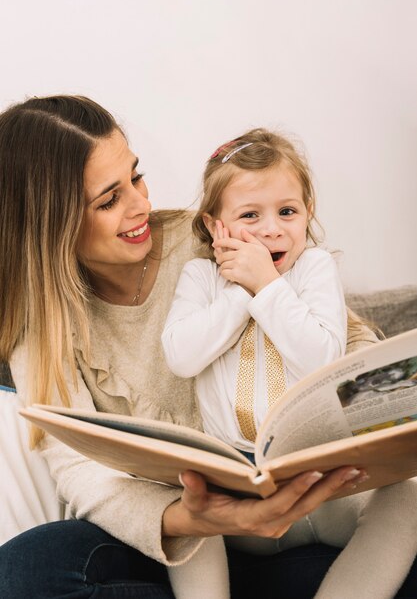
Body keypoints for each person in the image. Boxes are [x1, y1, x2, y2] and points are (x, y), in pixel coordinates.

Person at [0, 95, 414, 599]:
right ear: (52, 225)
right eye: (109, 200)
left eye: (137, 176)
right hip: (188, 543)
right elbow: (80, 473)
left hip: (308, 525)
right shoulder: (43, 328)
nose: (140, 206)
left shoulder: (214, 238)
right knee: (26, 569)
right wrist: (184, 516)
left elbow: (343, 339)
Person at [162, 129, 417, 599]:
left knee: (409, 495)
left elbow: (322, 353)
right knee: (183, 504)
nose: (272, 229)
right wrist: (242, 288)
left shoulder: (315, 269)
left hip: (322, 488)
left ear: (307, 214)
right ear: (215, 226)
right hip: (241, 495)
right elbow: (180, 355)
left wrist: (268, 286)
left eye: (287, 212)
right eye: (249, 216)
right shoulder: (200, 278)